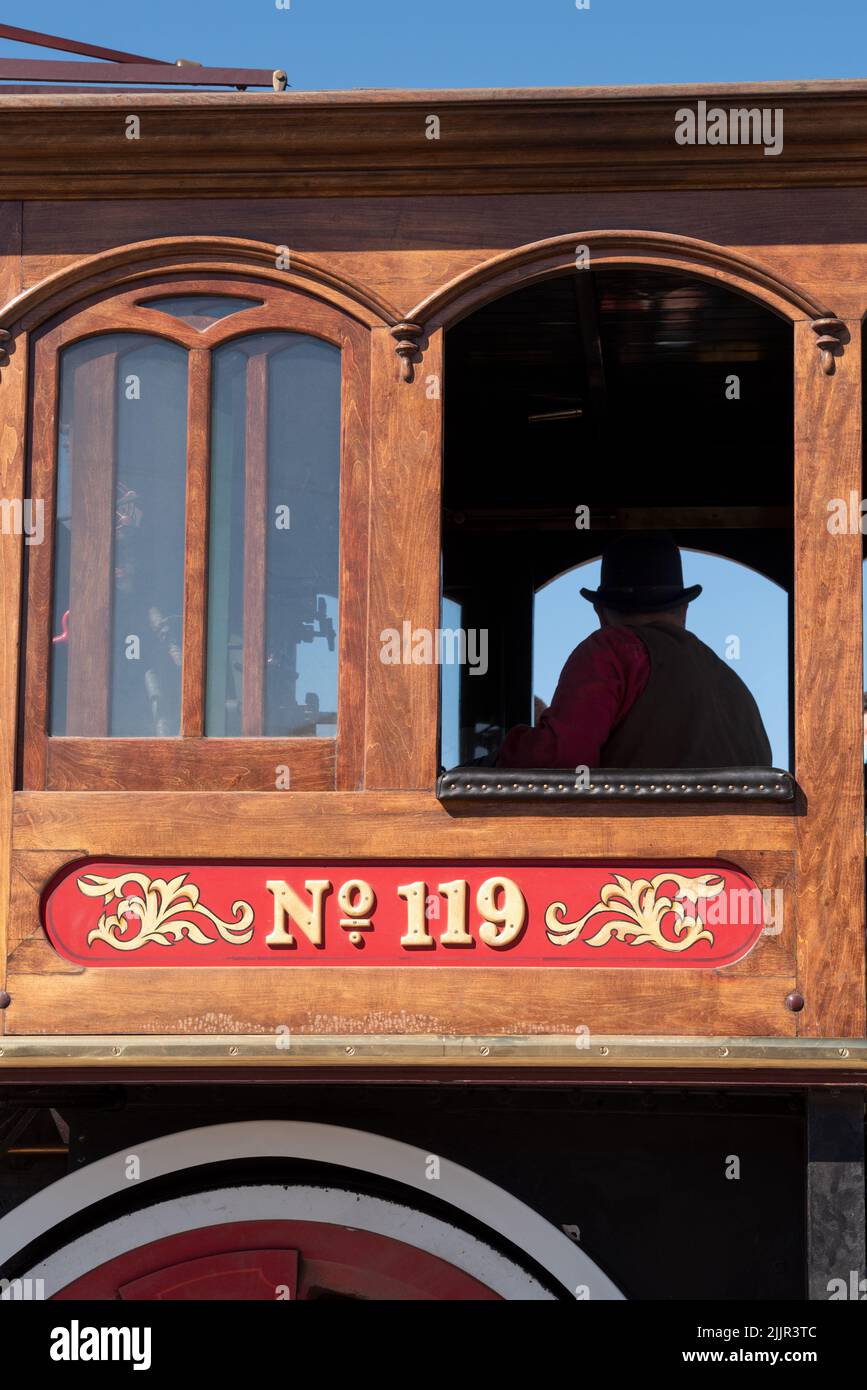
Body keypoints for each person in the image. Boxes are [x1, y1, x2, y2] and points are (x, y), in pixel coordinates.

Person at [495, 533, 772, 770]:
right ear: (683, 610)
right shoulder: (734, 686)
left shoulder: (610, 650)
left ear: (601, 613)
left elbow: (560, 761)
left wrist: (494, 759)